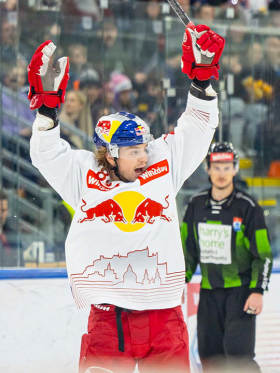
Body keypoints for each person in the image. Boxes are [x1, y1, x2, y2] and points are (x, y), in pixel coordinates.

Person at [27, 24, 225, 373]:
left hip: (164, 318)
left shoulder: (163, 165)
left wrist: (202, 79)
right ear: (110, 154)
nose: (144, 157)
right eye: (133, 151)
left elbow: (198, 124)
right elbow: (46, 154)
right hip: (107, 319)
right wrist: (46, 111)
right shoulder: (85, 173)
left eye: (144, 148)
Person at [181, 142, 273, 373]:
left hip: (240, 293)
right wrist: (179, 281)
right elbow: (187, 250)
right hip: (209, 293)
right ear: (208, 168)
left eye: (226, 167)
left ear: (235, 168)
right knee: (210, 357)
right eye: (217, 167)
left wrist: (257, 291)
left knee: (239, 357)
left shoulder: (248, 207)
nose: (221, 173)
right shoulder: (195, 205)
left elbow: (263, 255)